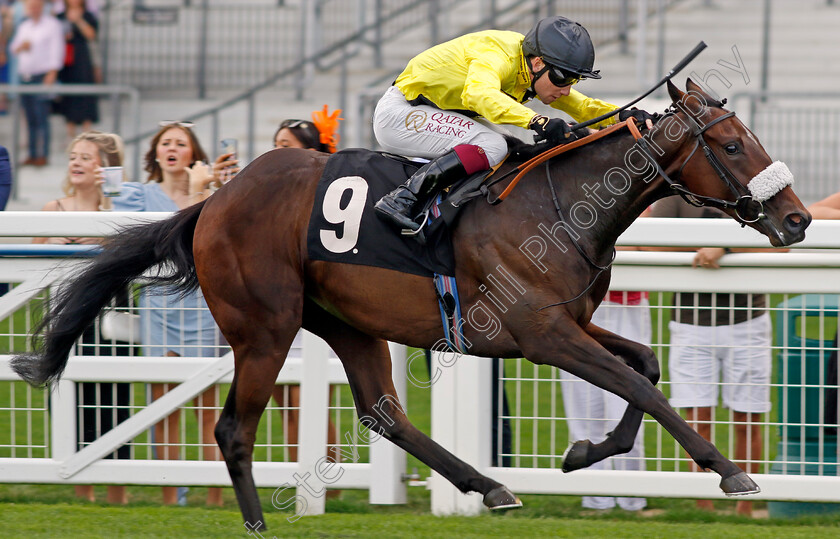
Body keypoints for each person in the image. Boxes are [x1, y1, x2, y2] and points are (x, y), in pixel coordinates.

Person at [371, 15, 656, 232]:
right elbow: (479, 93)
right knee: (493, 145)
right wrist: (537, 121)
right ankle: (402, 199)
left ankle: (452, 214)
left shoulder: (533, 68)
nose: (566, 89)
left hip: (430, 111)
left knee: (509, 146)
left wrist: (624, 116)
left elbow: (581, 106)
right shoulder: (498, 54)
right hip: (401, 113)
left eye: (574, 80)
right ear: (537, 63)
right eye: (563, 78)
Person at [112, 121, 238, 506]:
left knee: (206, 407)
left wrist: (207, 190)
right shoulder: (139, 195)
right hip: (158, 306)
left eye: (180, 143)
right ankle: (172, 496)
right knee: (162, 403)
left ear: (192, 154)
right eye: (165, 143)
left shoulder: (212, 196)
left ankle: (216, 496)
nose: (171, 148)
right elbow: (162, 237)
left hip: (202, 306)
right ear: (155, 154)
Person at [649, 196, 774, 517]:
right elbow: (654, 245)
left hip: (749, 322)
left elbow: (777, 242)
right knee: (697, 423)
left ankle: (745, 507)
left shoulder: (755, 190)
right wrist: (714, 246)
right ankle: (702, 506)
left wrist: (725, 248)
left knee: (747, 420)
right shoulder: (674, 195)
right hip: (691, 325)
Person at [32, 131, 131, 504]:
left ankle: (117, 495)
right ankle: (81, 493)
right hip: (63, 322)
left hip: (109, 323)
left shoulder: (119, 213)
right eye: (73, 155)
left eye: (86, 157)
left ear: (104, 167)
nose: (76, 162)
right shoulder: (51, 210)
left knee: (113, 403)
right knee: (69, 404)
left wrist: (117, 202)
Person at [272, 107, 343, 491]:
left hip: (312, 310)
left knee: (309, 401)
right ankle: (306, 479)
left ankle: (329, 482)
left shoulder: (323, 194)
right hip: (283, 309)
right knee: (287, 402)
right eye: (276, 145)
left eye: (286, 146)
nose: (277, 152)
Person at [9, 0, 64, 166]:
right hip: (25, 77)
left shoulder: (52, 24)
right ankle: (32, 153)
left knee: (42, 117)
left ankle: (43, 154)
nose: (33, 9)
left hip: (42, 76)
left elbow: (57, 49)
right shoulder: (24, 25)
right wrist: (21, 46)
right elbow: (13, 48)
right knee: (30, 118)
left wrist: (52, 72)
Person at [55, 0, 98, 137]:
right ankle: (70, 133)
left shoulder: (88, 16)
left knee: (85, 95)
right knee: (68, 97)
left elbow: (91, 35)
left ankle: (86, 132)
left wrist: (78, 20)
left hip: (82, 60)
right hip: (66, 60)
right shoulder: (60, 16)